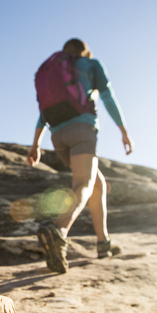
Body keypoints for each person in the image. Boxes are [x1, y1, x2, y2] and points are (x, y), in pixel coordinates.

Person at [28, 38, 133, 273]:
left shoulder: (52, 70)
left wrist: (35, 144)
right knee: (83, 183)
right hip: (81, 130)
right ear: (84, 52)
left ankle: (103, 243)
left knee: (98, 183)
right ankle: (59, 231)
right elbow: (107, 96)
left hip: (57, 136)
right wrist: (123, 131)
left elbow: (42, 114)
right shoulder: (90, 64)